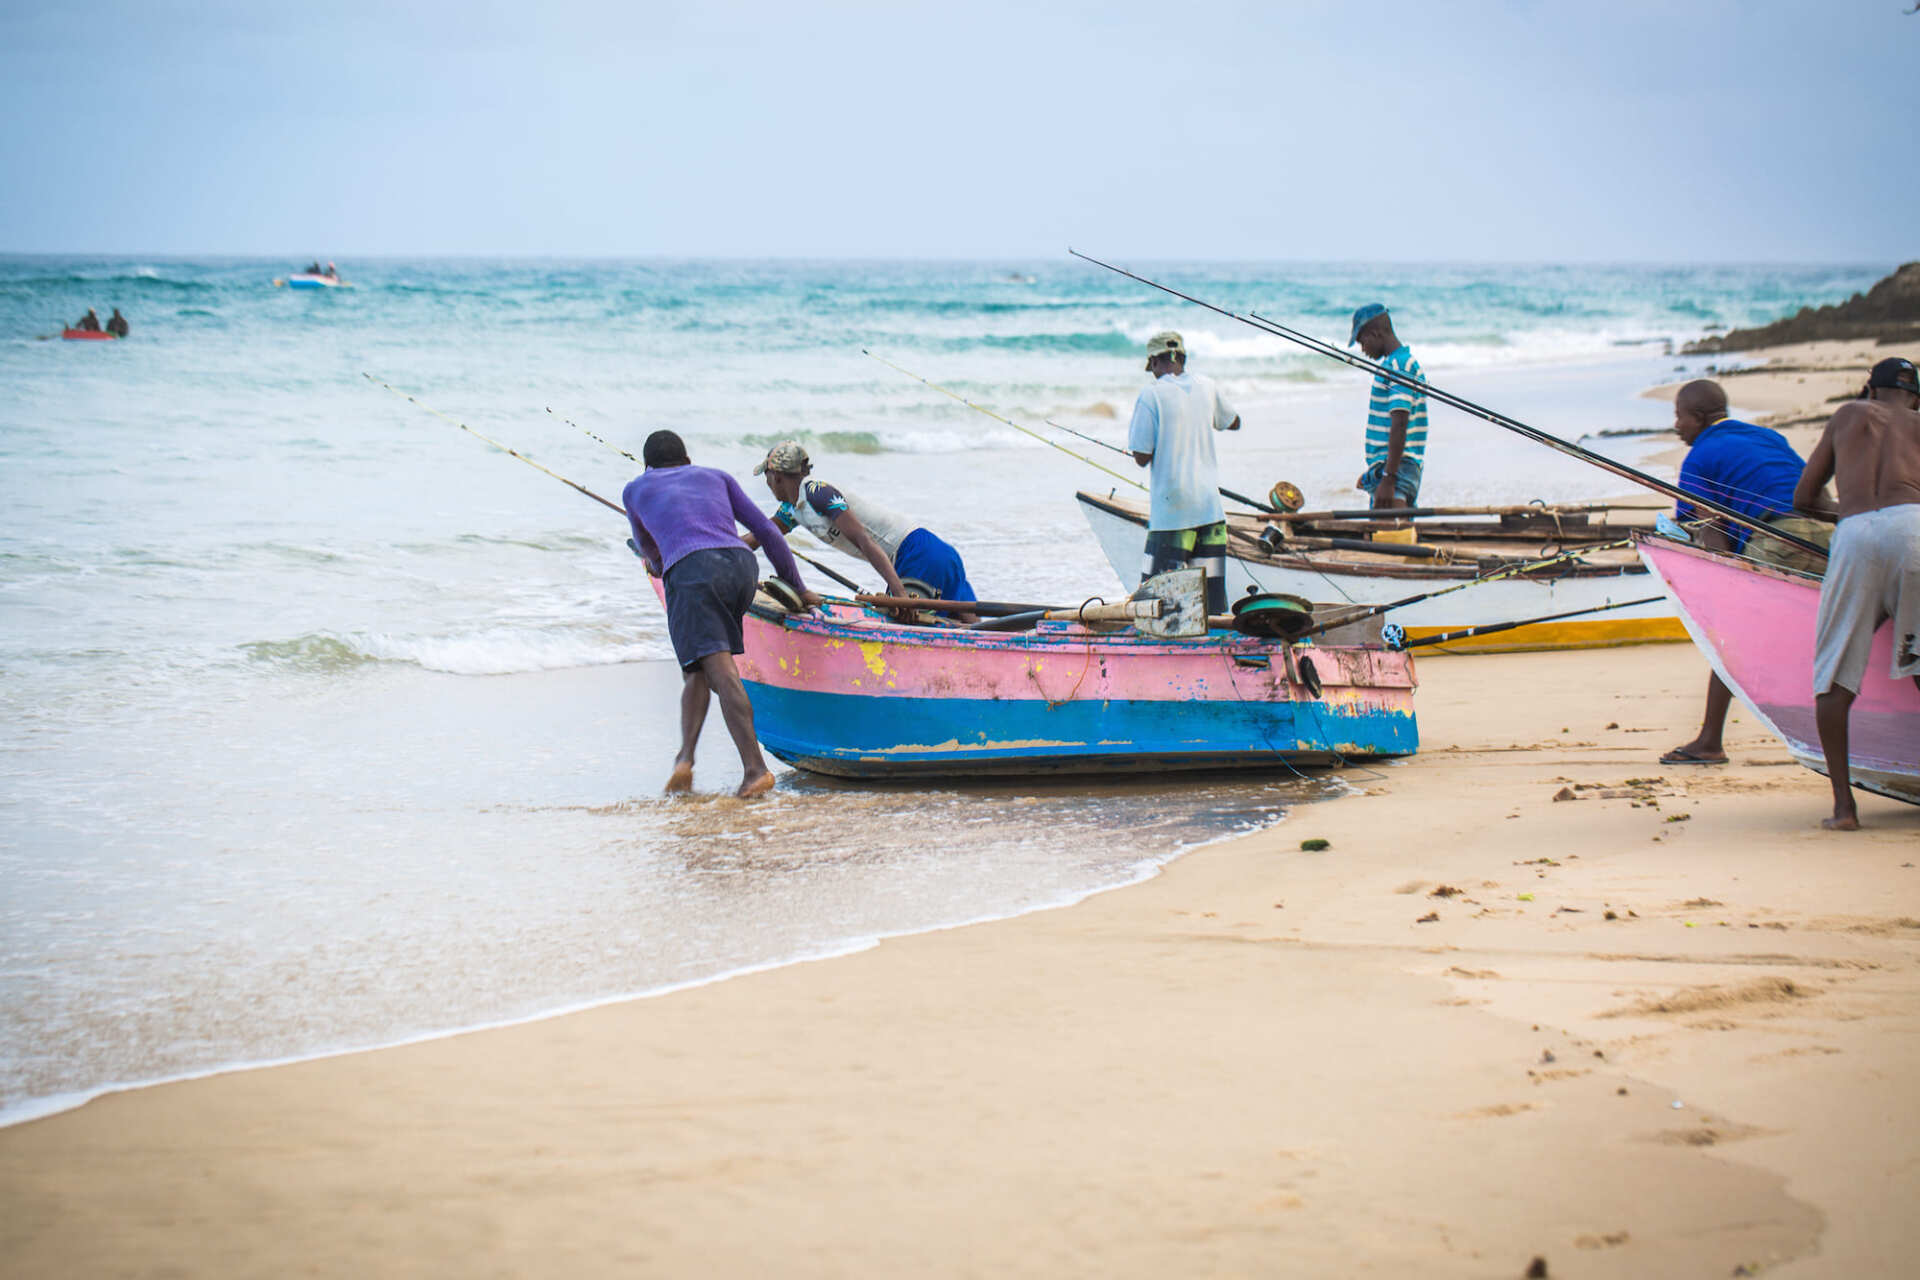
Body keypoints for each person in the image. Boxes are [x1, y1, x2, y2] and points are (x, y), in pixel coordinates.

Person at [623, 429, 818, 799]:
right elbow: (766, 532)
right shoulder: (716, 476)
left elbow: (650, 550)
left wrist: (655, 564)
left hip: (694, 574)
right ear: (687, 461)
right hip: (741, 568)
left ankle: (755, 770)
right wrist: (797, 585)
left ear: (647, 466)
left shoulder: (635, 489)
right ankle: (685, 760)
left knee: (722, 670)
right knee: (698, 667)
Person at [1660, 378, 1833, 765]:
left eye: (1680, 417)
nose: (1676, 426)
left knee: (1731, 639)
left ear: (1701, 418)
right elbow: (1818, 494)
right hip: (1827, 536)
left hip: (1778, 538)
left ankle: (1709, 741)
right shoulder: (1767, 437)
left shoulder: (1699, 457)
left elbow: (1713, 541)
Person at [1792, 356, 1920, 830]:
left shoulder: (1846, 415)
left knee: (1835, 672)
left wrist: (1853, 514)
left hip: (1855, 533)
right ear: (1916, 399)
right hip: (1914, 529)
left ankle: (1844, 809)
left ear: (1870, 391)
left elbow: (1803, 498)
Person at [747, 440, 979, 623]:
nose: (767, 484)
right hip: (931, 554)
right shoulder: (792, 509)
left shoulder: (818, 492)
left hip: (918, 553)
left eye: (766, 476)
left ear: (775, 475)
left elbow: (863, 540)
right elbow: (760, 537)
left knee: (907, 627)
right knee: (976, 630)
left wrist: (898, 592)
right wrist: (715, 550)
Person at [1126, 330, 1241, 614]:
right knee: (1211, 606)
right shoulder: (1208, 386)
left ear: (1154, 363)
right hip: (1210, 512)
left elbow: (1141, 456)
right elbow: (1234, 422)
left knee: (1159, 606)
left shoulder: (1151, 394)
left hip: (1172, 515)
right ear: (1183, 358)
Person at [1349, 303, 1429, 510]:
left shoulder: (1398, 366)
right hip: (1392, 468)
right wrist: (1374, 472)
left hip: (1396, 469)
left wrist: (1388, 477)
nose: (1362, 349)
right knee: (1394, 532)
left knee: (1390, 536)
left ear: (1375, 334)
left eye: (1361, 341)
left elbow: (1400, 423)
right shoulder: (1400, 363)